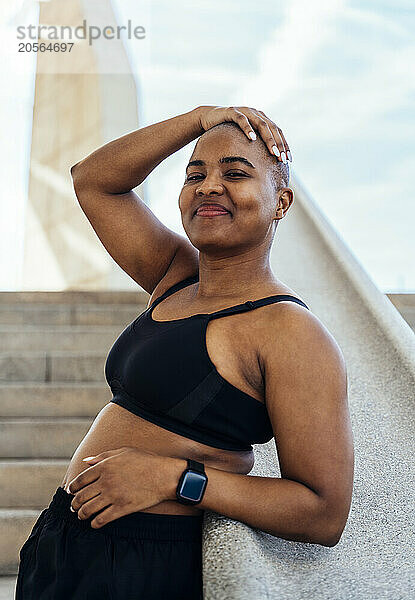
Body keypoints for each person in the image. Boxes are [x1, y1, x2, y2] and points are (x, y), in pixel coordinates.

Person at [15, 105, 354, 599]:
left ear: (281, 201)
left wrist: (177, 478)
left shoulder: (291, 332)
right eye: (195, 174)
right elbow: (93, 180)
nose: (209, 186)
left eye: (235, 173)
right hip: (66, 544)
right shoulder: (177, 275)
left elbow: (323, 512)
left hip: (147, 565)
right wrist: (200, 120)